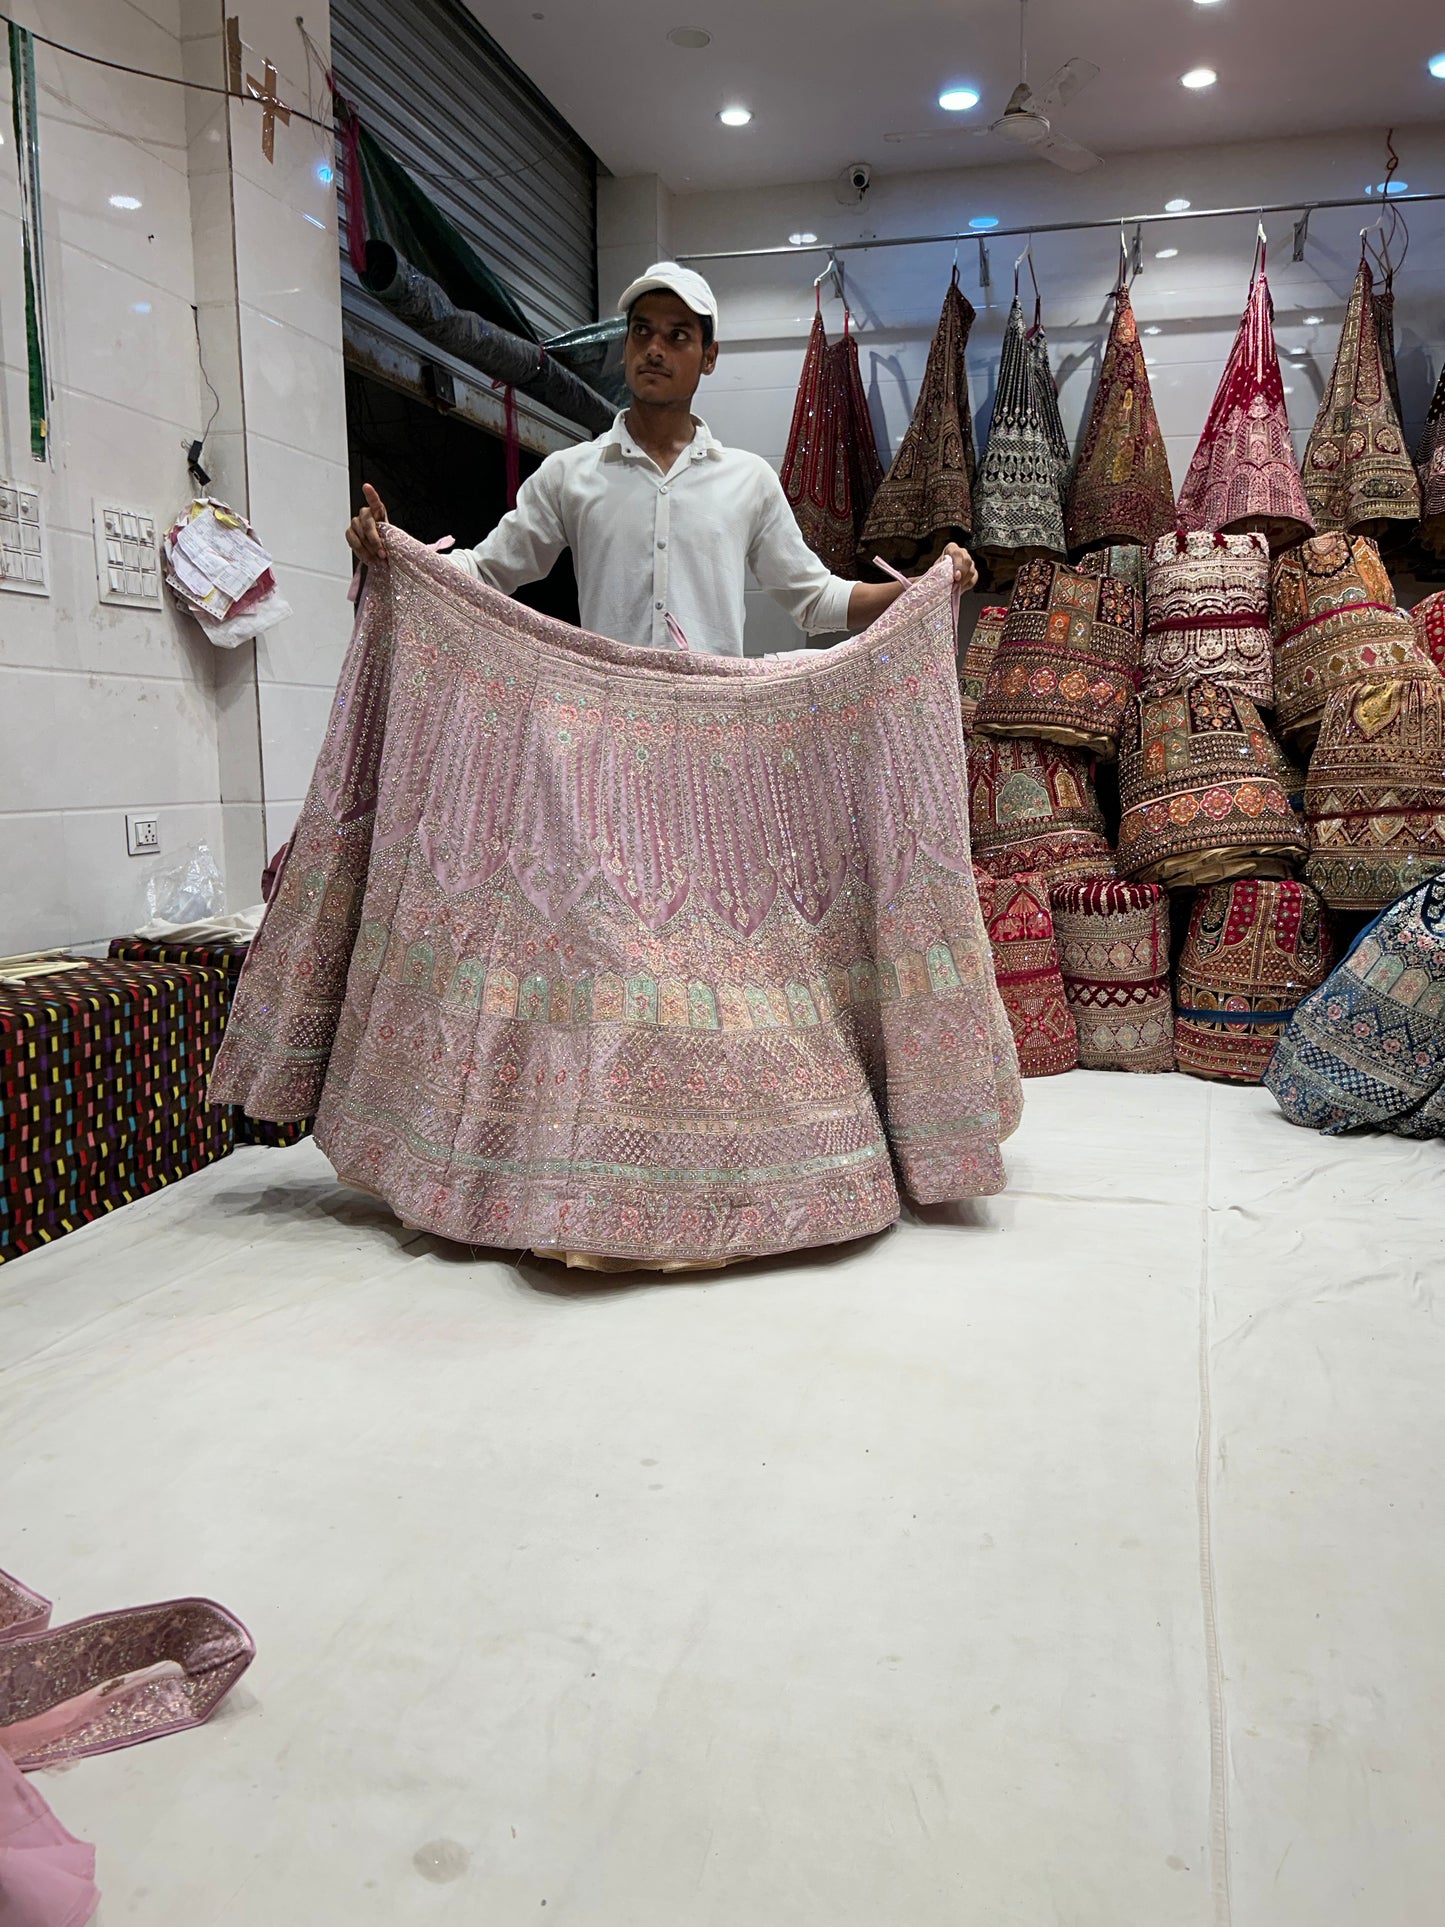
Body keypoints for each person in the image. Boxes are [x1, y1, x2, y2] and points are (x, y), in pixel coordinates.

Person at [346, 261, 976, 654]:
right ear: (625, 349)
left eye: (678, 336)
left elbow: (815, 601)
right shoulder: (571, 475)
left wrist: (923, 589)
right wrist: (394, 552)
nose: (655, 349)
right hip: (606, 732)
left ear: (708, 357)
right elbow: (487, 574)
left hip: (713, 735)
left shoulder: (748, 481)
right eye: (642, 332)